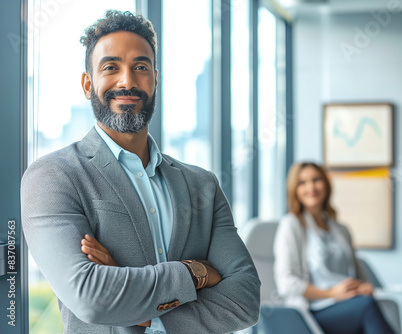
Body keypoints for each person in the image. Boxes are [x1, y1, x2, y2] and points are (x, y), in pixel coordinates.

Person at [21, 10, 260, 334]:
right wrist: (194, 274)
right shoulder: (53, 177)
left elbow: (245, 301)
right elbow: (92, 298)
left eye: (140, 67)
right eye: (111, 67)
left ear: (155, 79)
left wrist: (144, 313)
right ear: (88, 84)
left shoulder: (202, 185)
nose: (127, 81)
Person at [273, 162, 395, 334]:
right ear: (294, 190)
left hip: (349, 304)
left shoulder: (341, 230)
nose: (311, 187)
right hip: (314, 311)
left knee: (366, 304)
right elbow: (286, 284)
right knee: (366, 307)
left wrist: (364, 287)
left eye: (316, 180)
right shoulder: (291, 225)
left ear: (326, 185)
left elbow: (357, 275)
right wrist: (331, 293)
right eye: (302, 183)